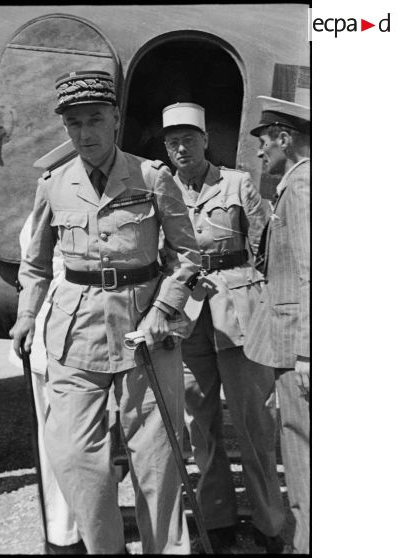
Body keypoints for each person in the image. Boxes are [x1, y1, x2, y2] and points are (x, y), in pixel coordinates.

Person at [10, 70, 201, 554]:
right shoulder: (53, 184)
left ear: (115, 118)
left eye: (95, 120)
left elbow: (186, 255)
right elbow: (33, 264)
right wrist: (27, 316)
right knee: (73, 455)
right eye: (74, 124)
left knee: (157, 460)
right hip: (74, 331)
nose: (85, 133)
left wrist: (164, 307)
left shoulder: (151, 176)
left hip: (144, 328)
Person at [161, 102, 285, 553]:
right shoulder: (161, 188)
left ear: (205, 140)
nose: (181, 148)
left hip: (238, 314)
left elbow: (263, 248)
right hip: (188, 320)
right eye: (172, 141)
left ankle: (270, 523)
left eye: (188, 139)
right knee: (200, 423)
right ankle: (217, 522)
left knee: (254, 424)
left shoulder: (236, 182)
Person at [244, 96, 310, 554]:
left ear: (285, 138)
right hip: (293, 341)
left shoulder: (303, 187)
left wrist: (309, 351)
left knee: (302, 448)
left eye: (265, 142)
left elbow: (312, 272)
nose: (260, 152)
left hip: (299, 346)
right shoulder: (298, 183)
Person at [8, 214, 84, 555]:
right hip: (58, 341)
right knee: (61, 444)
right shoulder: (50, 209)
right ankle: (65, 537)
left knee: (77, 445)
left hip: (82, 342)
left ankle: (74, 532)